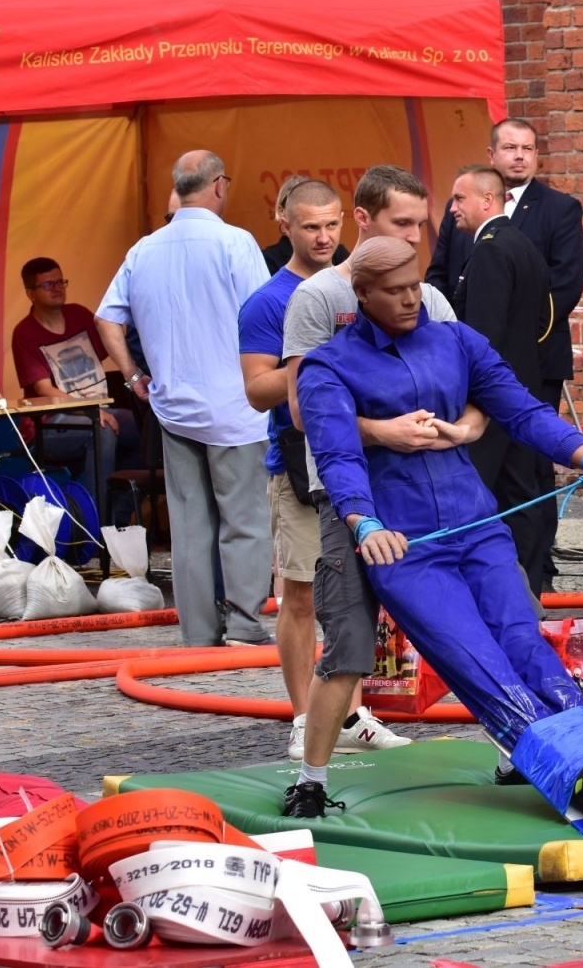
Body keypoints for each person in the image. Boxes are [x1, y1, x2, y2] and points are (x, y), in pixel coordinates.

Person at [289, 236, 583, 820]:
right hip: (405, 545)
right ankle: (573, 764)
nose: (413, 299)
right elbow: (336, 454)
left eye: (416, 285)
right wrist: (363, 522)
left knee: (521, 638)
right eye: (396, 291)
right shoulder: (328, 365)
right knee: (474, 658)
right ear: (361, 294)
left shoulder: (456, 339)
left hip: (477, 522)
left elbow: (525, 412)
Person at [275, 165, 473, 762]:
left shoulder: (431, 297)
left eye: (421, 224)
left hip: (422, 486)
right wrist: (383, 429)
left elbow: (470, 382)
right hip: (344, 488)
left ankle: (516, 745)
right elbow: (302, 410)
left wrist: (458, 427)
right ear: (362, 220)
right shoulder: (317, 298)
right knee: (339, 627)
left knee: (468, 621)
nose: (415, 237)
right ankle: (311, 760)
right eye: (401, 223)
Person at [240, 181, 408, 760]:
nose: (323, 237)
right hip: (297, 461)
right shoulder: (269, 299)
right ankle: (303, 715)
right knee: (302, 593)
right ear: (283, 222)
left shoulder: (361, 285)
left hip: (367, 462)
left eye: (332, 225)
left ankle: (354, 711)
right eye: (311, 227)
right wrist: (312, 372)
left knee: (357, 593)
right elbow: (256, 389)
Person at [96, 150, 274, 647]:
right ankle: (243, 623)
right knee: (244, 520)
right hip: (237, 406)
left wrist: (133, 376)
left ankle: (197, 631)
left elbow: (107, 318)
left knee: (190, 525)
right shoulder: (236, 243)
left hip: (173, 407)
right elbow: (265, 321)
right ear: (219, 185)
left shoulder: (144, 249)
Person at [429, 119, 583, 589]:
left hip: (524, 364)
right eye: (510, 148)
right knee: (504, 471)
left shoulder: (557, 210)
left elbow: (560, 289)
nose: (520, 156)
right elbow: (441, 277)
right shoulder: (464, 215)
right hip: (497, 361)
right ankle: (505, 573)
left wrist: (510, 357)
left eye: (529, 148)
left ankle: (529, 571)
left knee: (524, 469)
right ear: (493, 155)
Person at [447, 164, 556, 595]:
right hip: (523, 385)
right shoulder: (523, 244)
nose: (452, 208)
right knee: (521, 491)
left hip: (493, 394)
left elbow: (483, 335)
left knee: (478, 489)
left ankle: (483, 587)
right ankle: (526, 585)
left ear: (487, 200)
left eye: (459, 198)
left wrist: (471, 395)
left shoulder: (491, 248)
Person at [9, 257, 139, 502]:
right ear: (30, 293)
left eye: (61, 282)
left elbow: (113, 348)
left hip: (97, 410)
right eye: (48, 285)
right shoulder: (25, 332)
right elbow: (45, 390)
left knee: (143, 426)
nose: (58, 288)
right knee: (102, 430)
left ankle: (120, 513)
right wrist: (89, 411)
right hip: (46, 425)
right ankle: (96, 519)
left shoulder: (79, 315)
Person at [262, 174, 350, 275]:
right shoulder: (269, 259)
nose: (324, 239)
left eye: (331, 224)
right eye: (312, 227)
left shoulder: (339, 253)